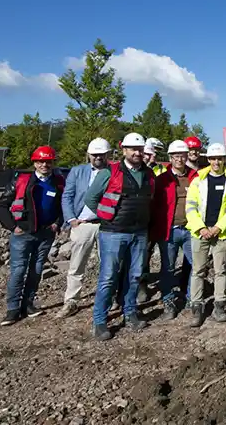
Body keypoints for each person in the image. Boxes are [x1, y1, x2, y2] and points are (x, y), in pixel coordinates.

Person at [85, 132, 156, 341]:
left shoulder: (149, 175)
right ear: (123, 150)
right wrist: (107, 217)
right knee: (108, 277)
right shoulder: (109, 172)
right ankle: (99, 320)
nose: (137, 152)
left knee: (134, 275)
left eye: (140, 149)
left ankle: (130, 312)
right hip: (113, 233)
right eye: (133, 149)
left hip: (139, 233)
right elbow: (91, 198)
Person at [0, 146, 65, 326]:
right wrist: (12, 226)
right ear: (34, 162)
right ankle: (12, 310)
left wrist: (58, 223)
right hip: (23, 233)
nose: (44, 164)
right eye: (41, 161)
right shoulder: (21, 181)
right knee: (18, 271)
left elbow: (64, 205)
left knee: (36, 270)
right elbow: (1, 206)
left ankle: (28, 304)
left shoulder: (58, 182)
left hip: (45, 234)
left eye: (48, 161)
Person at [185, 143, 226, 327]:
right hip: (199, 231)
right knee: (198, 270)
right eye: (213, 158)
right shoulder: (198, 180)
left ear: (225, 159)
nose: (216, 162)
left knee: (220, 270)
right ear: (208, 159)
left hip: (222, 232)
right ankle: (197, 307)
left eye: (220, 158)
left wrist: (218, 227)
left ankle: (219, 305)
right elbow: (191, 207)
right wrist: (201, 228)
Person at [56, 138, 111, 318]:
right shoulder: (77, 172)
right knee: (76, 266)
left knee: (109, 266)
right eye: (95, 155)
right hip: (83, 224)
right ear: (88, 155)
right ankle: (71, 301)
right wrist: (71, 219)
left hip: (106, 226)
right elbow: (67, 196)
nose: (98, 158)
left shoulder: (114, 173)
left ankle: (109, 299)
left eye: (101, 155)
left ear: (108, 155)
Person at [149, 140, 198, 320]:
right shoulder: (162, 180)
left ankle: (193, 298)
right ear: (170, 157)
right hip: (169, 230)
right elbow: (154, 205)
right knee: (168, 267)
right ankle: (168, 299)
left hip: (191, 229)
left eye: (182, 155)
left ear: (187, 156)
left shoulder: (195, 177)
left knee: (196, 265)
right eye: (176, 156)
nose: (179, 159)